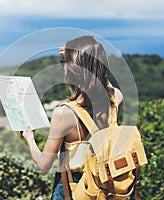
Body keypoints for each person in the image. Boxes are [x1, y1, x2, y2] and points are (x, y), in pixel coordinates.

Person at [21, 35, 123, 199]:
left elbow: (43, 165)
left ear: (74, 71)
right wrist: (92, 58)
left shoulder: (64, 114)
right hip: (106, 187)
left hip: (74, 188)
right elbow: (104, 82)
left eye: (65, 63)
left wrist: (30, 139)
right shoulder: (116, 98)